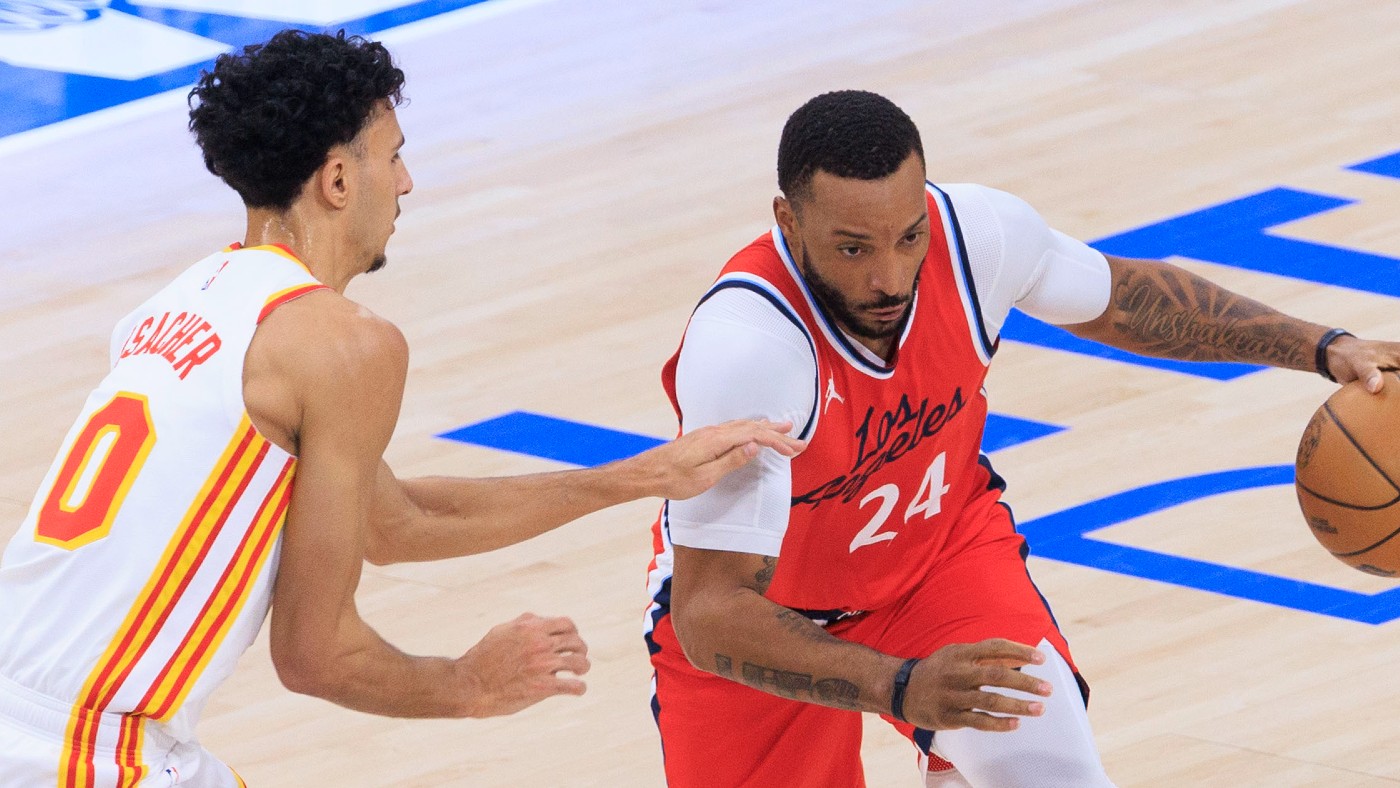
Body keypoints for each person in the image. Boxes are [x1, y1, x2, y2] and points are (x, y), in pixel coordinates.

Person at [0, 30, 804, 788]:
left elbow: (394, 522)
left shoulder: (171, 307)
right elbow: (315, 654)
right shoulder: (345, 343)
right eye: (393, 156)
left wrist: (642, 475)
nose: (407, 181)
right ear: (337, 181)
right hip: (84, 750)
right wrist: (469, 684)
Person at [643, 89, 1400, 788]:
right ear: (788, 221)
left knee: (1047, 774)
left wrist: (1323, 346)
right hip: (765, 620)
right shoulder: (748, 347)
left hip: (937, 561)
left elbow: (1122, 299)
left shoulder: (978, 236)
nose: (891, 277)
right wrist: (899, 684)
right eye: (853, 249)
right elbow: (710, 611)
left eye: (909, 236)